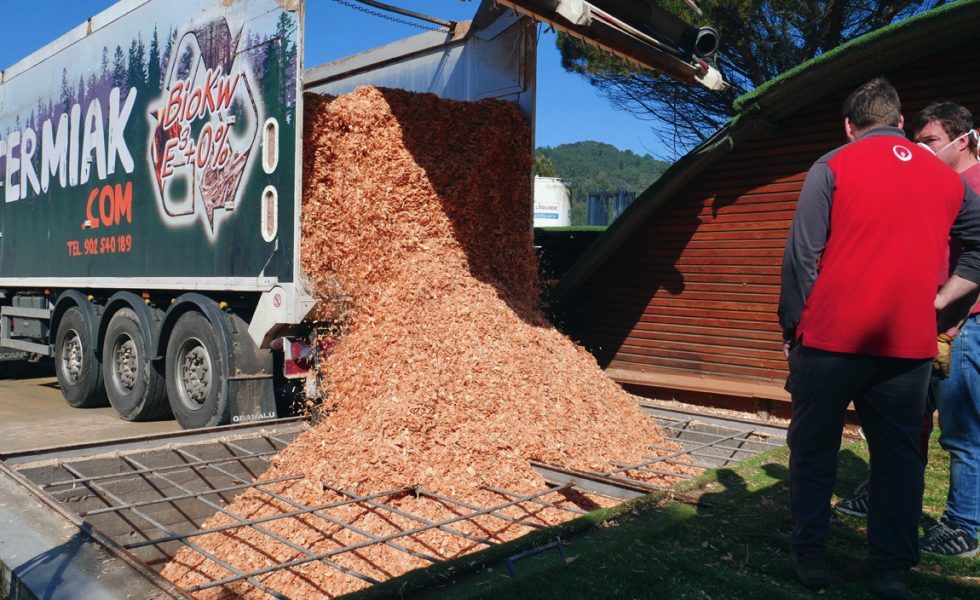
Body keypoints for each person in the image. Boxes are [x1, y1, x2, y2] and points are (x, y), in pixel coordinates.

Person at [778, 79, 980, 599]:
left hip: (829, 339)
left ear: (849, 125)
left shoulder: (833, 165)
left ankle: (810, 555)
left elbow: (801, 256)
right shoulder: (945, 179)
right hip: (907, 346)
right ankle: (891, 569)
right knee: (899, 459)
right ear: (900, 121)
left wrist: (791, 328)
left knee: (814, 449)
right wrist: (942, 302)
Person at [837, 102, 980, 559]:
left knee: (961, 430)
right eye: (916, 142)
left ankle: (963, 524)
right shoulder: (935, 182)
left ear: (964, 140)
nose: (921, 150)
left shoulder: (977, 184)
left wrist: (952, 313)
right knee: (904, 421)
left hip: (964, 325)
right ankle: (888, 493)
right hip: (923, 324)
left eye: (931, 141)